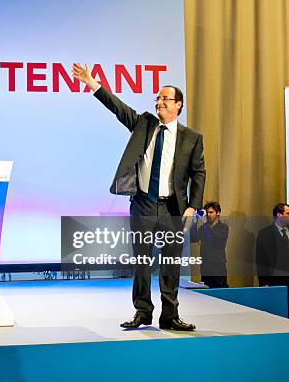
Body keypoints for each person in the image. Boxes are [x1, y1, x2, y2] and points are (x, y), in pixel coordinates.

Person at [72, 64, 205, 331]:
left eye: (165, 98)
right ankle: (143, 312)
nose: (159, 102)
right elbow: (118, 108)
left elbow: (199, 173)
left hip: (172, 208)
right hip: (143, 204)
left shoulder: (191, 138)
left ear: (178, 104)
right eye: (157, 98)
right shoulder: (145, 123)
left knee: (170, 263)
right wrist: (92, 83)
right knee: (142, 262)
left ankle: (170, 316)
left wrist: (193, 206)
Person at [255, 203, 289, 319]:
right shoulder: (265, 234)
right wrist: (264, 283)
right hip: (275, 283)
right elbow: (261, 261)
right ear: (279, 215)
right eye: (288, 213)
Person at [190, 201, 229, 288]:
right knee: (206, 292)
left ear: (218, 212)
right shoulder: (204, 227)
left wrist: (203, 221)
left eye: (211, 212)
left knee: (220, 291)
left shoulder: (223, 227)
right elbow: (193, 238)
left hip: (218, 266)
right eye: (207, 213)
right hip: (205, 266)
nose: (208, 215)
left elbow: (215, 238)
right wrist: (195, 221)